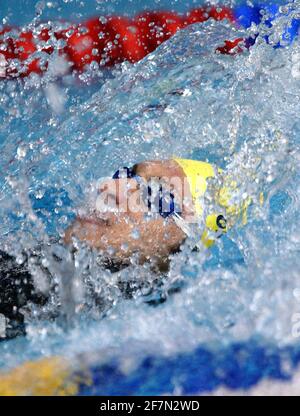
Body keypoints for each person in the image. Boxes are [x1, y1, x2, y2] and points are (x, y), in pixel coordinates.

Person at [0, 157, 248, 340]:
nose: (110, 187)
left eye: (154, 195)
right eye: (127, 175)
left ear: (177, 252)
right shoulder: (41, 269)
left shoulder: (136, 334)